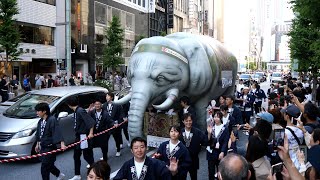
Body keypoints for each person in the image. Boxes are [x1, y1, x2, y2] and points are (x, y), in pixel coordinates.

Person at [66, 95, 95, 180]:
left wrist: (91, 133)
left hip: (83, 136)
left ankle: (97, 170)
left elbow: (91, 122)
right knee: (76, 155)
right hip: (78, 136)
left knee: (87, 156)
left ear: (69, 105)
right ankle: (77, 175)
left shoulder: (80, 111)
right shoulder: (77, 111)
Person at [34, 102, 66, 180]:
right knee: (49, 165)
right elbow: (39, 133)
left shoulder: (52, 119)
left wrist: (62, 143)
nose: (37, 113)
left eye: (38, 111)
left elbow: (57, 132)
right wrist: (37, 144)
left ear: (44, 111)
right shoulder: (40, 121)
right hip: (43, 147)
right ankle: (59, 174)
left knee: (44, 167)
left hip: (50, 147)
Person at [180, 113, 207, 180]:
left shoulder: (197, 132)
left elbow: (205, 141)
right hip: (182, 161)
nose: (188, 122)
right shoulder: (179, 132)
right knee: (182, 177)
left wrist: (208, 134)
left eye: (190, 120)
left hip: (193, 160)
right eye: (186, 121)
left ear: (192, 121)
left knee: (194, 177)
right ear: (183, 121)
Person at [206, 111, 230, 180]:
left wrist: (222, 151)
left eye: (218, 117)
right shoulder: (210, 127)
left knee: (221, 171)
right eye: (215, 117)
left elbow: (226, 141)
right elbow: (206, 140)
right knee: (211, 172)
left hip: (220, 152)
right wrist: (209, 134)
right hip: (211, 152)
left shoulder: (225, 128)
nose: (216, 119)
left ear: (221, 118)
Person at [281, 105, 304, 171]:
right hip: (300, 160)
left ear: (287, 116)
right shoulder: (301, 130)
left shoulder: (284, 132)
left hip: (289, 163)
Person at [102, 92, 125, 157]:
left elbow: (121, 113)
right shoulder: (104, 105)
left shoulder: (116, 104)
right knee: (105, 140)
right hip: (107, 125)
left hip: (115, 124)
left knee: (116, 138)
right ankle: (104, 155)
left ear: (111, 97)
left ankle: (118, 150)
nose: (106, 97)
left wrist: (123, 119)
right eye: (106, 96)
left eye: (108, 96)